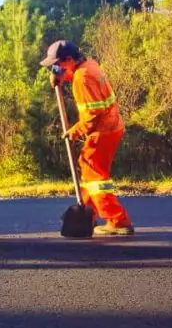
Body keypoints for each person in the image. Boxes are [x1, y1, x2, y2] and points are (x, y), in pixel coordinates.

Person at [41, 40, 134, 235]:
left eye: (58, 63)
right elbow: (73, 72)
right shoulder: (89, 64)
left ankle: (117, 221)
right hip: (112, 126)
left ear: (69, 59)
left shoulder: (82, 79)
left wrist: (74, 131)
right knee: (89, 170)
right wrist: (59, 75)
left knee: (95, 176)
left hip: (103, 131)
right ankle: (89, 214)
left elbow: (93, 114)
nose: (55, 66)